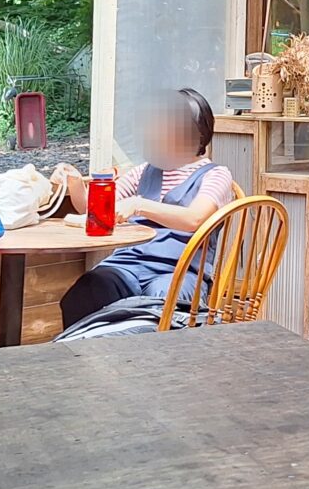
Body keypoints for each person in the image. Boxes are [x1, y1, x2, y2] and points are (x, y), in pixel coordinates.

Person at [50, 88, 237, 331]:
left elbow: (195, 219)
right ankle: (85, 351)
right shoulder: (144, 171)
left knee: (162, 303)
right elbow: (95, 211)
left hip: (177, 270)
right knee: (90, 289)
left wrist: (139, 205)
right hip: (128, 264)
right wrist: (75, 183)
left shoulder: (215, 175)